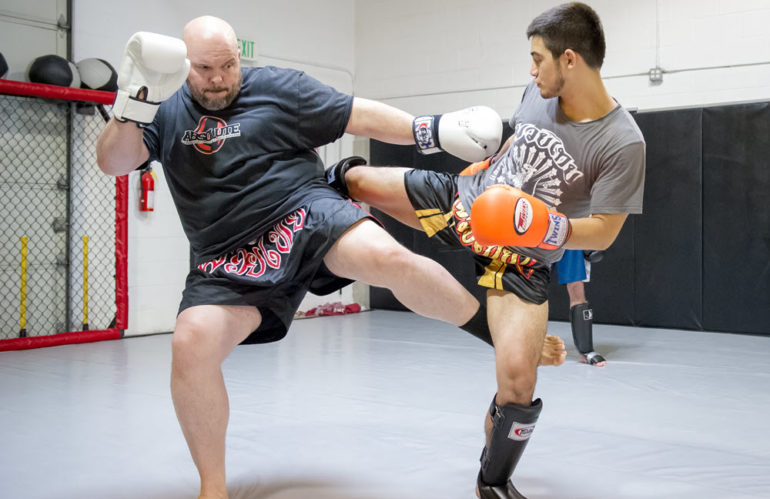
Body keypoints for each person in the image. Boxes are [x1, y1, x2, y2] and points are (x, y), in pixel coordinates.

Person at [95, 16, 567, 499]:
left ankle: (494, 335)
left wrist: (434, 129)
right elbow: (113, 161)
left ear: (241, 55)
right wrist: (133, 104)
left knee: (388, 258)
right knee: (189, 344)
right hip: (225, 257)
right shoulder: (163, 110)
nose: (218, 78)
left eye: (228, 65)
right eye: (205, 69)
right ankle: (212, 488)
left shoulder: (277, 87)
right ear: (185, 65)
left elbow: (355, 114)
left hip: (304, 213)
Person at [329, 3, 645, 497]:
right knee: (355, 179)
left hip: (519, 259)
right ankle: (297, 226)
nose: (530, 68)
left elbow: (604, 231)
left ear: (569, 60)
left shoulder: (623, 142)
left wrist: (545, 226)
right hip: (465, 204)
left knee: (519, 386)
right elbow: (518, 144)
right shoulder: (536, 91)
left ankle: (492, 481)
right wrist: (488, 162)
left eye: (537, 58)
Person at [554, 249, 606, 366]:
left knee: (576, 285)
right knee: (529, 286)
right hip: (536, 235)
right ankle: (520, 347)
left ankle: (586, 351)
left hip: (570, 236)